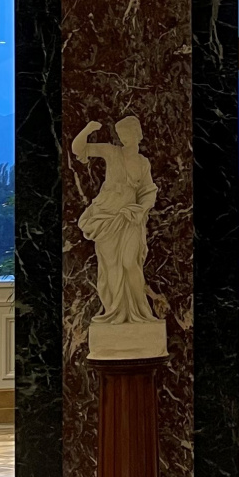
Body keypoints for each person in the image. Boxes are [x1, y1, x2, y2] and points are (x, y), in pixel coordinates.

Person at [73, 116, 162, 325]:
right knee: (111, 265)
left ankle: (141, 311)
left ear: (137, 134)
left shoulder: (143, 163)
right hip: (106, 216)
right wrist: (88, 129)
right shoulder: (112, 152)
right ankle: (116, 311)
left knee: (130, 262)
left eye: (128, 133)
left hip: (130, 217)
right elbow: (78, 149)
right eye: (121, 134)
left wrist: (141, 209)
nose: (124, 138)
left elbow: (148, 191)